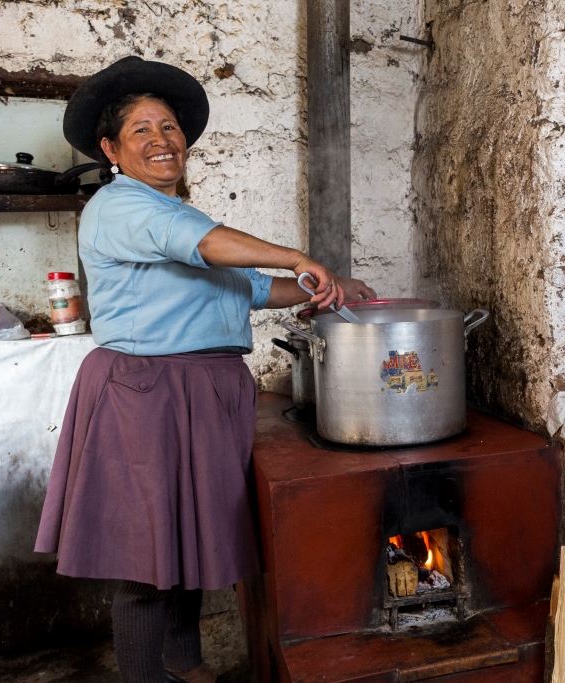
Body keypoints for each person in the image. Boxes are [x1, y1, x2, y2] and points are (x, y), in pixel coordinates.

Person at [34, 56, 376, 683]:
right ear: (111, 149)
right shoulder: (119, 207)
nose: (161, 140)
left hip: (203, 390)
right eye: (141, 130)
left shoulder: (185, 220)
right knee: (145, 556)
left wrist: (328, 286)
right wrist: (301, 255)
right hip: (145, 392)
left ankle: (186, 665)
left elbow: (248, 287)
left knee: (188, 539)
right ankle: (144, 678)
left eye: (168, 127)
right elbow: (209, 246)